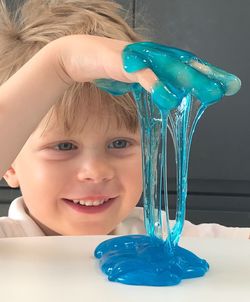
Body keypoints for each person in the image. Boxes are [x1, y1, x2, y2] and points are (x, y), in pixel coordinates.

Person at [0, 0, 249, 239]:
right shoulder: (8, 239)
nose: (96, 173)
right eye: (64, 146)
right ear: (10, 164)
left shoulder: (157, 234)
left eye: (119, 143)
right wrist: (59, 65)